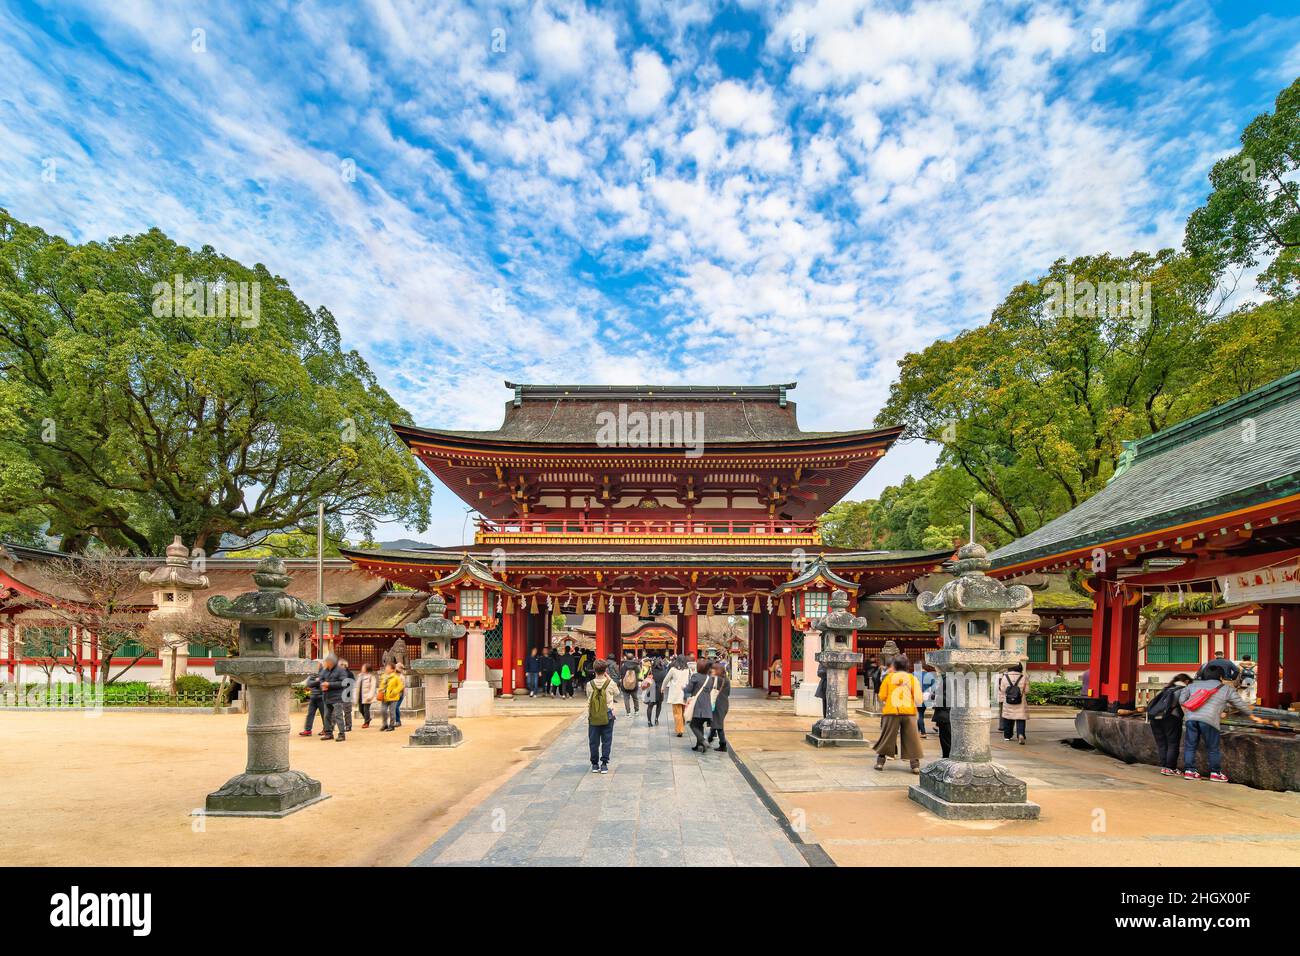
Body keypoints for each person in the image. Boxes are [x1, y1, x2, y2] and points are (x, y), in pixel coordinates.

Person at [1179, 661, 1262, 782]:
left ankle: (1189, 771)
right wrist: (1253, 717)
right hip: (1209, 720)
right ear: (1221, 677)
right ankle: (1215, 773)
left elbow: (1182, 700)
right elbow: (1240, 704)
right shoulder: (1226, 689)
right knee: (1213, 748)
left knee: (1190, 746)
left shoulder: (1192, 685)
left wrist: (1188, 712)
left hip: (1191, 719)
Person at [872, 654, 924, 773]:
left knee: (887, 736)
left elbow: (882, 696)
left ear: (894, 665)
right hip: (908, 711)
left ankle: (880, 762)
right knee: (912, 738)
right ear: (907, 666)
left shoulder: (889, 678)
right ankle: (915, 765)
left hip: (891, 711)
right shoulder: (912, 678)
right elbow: (918, 699)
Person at [1146, 673, 1192, 775]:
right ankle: (1170, 767)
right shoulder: (1183, 690)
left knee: (1162, 743)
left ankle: (1164, 767)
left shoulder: (1166, 689)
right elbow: (1185, 706)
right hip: (1171, 718)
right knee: (1172, 743)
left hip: (1155, 718)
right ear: (1187, 681)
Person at [585, 659, 620, 773]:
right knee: (607, 740)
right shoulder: (610, 683)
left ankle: (594, 764)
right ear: (605, 670)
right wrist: (608, 678)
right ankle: (604, 764)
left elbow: (588, 696)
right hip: (608, 714)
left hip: (593, 715)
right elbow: (617, 693)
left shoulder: (589, 684)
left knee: (593, 741)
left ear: (594, 670)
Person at [684, 659, 716, 752]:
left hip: (697, 705)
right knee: (700, 725)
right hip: (707, 705)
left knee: (693, 725)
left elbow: (688, 689)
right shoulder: (709, 678)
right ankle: (699, 746)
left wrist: (684, 688)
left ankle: (702, 741)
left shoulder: (695, 676)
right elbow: (709, 690)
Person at [318, 654, 349, 741]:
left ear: (332, 662)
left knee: (338, 716)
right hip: (327, 696)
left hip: (337, 697)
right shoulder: (325, 670)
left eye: (328, 661)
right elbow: (321, 679)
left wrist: (329, 684)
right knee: (327, 716)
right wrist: (322, 685)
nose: (326, 663)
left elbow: (344, 683)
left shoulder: (341, 670)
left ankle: (341, 734)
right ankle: (328, 733)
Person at [998, 663, 1029, 744]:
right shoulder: (1024, 677)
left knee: (1008, 717)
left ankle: (1007, 736)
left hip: (1008, 701)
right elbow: (1027, 691)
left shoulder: (1005, 677)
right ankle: (1020, 734)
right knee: (1020, 718)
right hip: (1020, 701)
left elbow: (1002, 690)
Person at [661, 654, 692, 737]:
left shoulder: (673, 669)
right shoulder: (687, 670)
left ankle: (680, 730)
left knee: (677, 713)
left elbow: (666, 679)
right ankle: (681, 725)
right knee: (683, 712)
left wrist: (663, 688)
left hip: (675, 694)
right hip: (685, 693)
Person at [705, 661, 732, 752]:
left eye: (713, 669)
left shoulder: (715, 679)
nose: (711, 670)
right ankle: (709, 739)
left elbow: (707, 689)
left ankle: (723, 744)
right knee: (716, 722)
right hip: (724, 703)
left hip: (717, 704)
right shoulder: (726, 679)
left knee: (718, 724)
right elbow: (728, 693)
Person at [299, 660, 326, 736]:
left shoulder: (324, 672)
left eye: (316, 664)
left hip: (322, 697)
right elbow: (309, 684)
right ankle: (307, 730)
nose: (314, 665)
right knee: (310, 714)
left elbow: (323, 684)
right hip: (313, 697)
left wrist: (317, 682)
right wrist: (317, 681)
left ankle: (326, 729)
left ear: (320, 664)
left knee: (324, 714)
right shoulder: (313, 673)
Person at [378, 661, 404, 732]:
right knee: (383, 711)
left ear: (392, 669)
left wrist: (395, 691)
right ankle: (384, 724)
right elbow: (381, 685)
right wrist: (380, 689)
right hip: (384, 697)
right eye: (386, 667)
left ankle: (392, 725)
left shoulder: (396, 677)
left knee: (392, 712)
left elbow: (401, 686)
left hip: (393, 697)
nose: (386, 669)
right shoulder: (383, 676)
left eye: (388, 668)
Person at [644, 656, 667, 726]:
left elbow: (645, 678)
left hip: (651, 689)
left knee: (650, 706)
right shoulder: (663, 672)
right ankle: (656, 719)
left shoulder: (651, 671)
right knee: (659, 705)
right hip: (660, 690)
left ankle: (649, 721)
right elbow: (665, 680)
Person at [618, 651, 641, 716]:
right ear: (633, 657)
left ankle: (628, 713)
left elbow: (621, 674)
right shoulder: (636, 665)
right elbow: (639, 672)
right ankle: (636, 711)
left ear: (626, 658)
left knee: (626, 698)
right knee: (635, 698)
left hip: (625, 684)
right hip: (634, 684)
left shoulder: (623, 665)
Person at [918, 664, 937, 738]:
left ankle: (922, 732)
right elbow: (934, 686)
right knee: (921, 713)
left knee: (919, 715)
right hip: (925, 697)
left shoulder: (914, 674)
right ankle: (918, 730)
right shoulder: (929, 675)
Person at [357, 663, 378, 729]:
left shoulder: (371, 677)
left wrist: (370, 695)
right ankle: (368, 718)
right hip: (360, 696)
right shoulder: (360, 676)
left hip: (367, 696)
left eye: (363, 667)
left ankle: (366, 722)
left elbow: (373, 687)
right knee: (360, 709)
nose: (362, 668)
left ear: (367, 669)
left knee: (366, 710)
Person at [339, 658, 355, 733]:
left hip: (347, 694)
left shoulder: (349, 673)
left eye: (342, 665)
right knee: (337, 712)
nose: (341, 666)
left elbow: (352, 683)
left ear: (345, 665)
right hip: (338, 694)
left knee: (347, 711)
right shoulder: (336, 673)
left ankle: (348, 725)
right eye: (340, 665)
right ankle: (335, 726)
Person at [394, 661, 407, 726]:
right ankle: (396, 721)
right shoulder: (394, 676)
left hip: (400, 694)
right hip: (394, 694)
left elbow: (402, 686)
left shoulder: (401, 677)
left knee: (396, 707)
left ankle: (398, 721)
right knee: (394, 707)